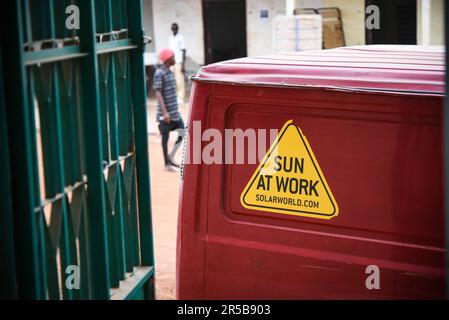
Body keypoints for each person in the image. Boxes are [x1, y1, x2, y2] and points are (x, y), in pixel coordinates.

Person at [153, 48, 185, 172]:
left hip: (174, 112)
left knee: (183, 132)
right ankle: (167, 164)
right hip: (165, 114)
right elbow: (158, 93)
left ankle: (171, 157)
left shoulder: (170, 72)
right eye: (172, 57)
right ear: (167, 59)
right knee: (165, 138)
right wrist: (165, 112)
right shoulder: (159, 73)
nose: (174, 59)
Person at [168, 22, 186, 104]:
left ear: (177, 29)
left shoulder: (181, 38)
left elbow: (184, 50)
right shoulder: (170, 38)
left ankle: (181, 97)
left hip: (179, 61)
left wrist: (183, 64)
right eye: (173, 28)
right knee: (172, 80)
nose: (174, 30)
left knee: (179, 80)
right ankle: (174, 97)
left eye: (175, 28)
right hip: (171, 62)